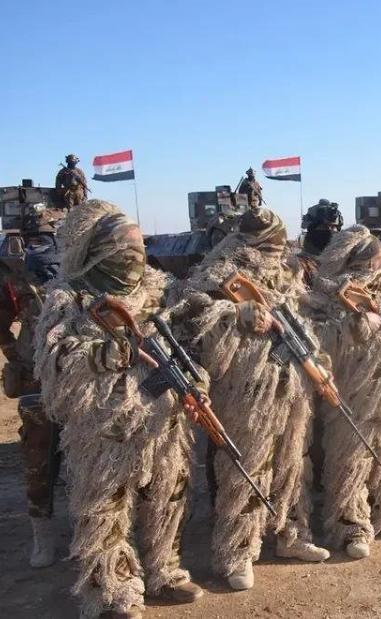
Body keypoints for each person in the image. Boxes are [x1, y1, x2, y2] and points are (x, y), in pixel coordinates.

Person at [35, 200, 202, 617]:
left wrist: (197, 379)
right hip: (104, 425)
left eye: (138, 248)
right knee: (106, 506)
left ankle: (164, 570)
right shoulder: (71, 296)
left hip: (163, 418)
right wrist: (108, 354)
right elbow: (53, 358)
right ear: (99, 251)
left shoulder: (159, 290)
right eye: (124, 250)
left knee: (170, 494)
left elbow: (187, 342)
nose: (135, 257)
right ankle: (112, 590)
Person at [166, 207, 329, 592]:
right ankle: (236, 552)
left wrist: (318, 362)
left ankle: (291, 534)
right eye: (270, 243)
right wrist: (239, 312)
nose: (276, 250)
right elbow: (190, 312)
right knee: (246, 468)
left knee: (294, 461)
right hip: (246, 386)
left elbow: (301, 315)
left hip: (290, 382)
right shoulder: (221, 269)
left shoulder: (286, 271)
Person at [301, 224, 381, 558]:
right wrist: (355, 325)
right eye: (378, 259)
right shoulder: (331, 294)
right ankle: (349, 525)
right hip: (352, 390)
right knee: (351, 458)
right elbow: (318, 340)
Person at [2, 203, 65, 568]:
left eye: (47, 236)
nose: (41, 244)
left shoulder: (77, 266)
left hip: (79, 372)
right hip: (35, 375)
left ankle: (92, 526)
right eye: (35, 237)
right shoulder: (14, 273)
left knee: (87, 453)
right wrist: (16, 354)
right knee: (38, 454)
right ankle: (42, 532)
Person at [299, 199, 344, 282]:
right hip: (328, 240)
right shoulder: (336, 211)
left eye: (332, 227)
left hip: (313, 242)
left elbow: (304, 225)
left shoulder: (312, 210)